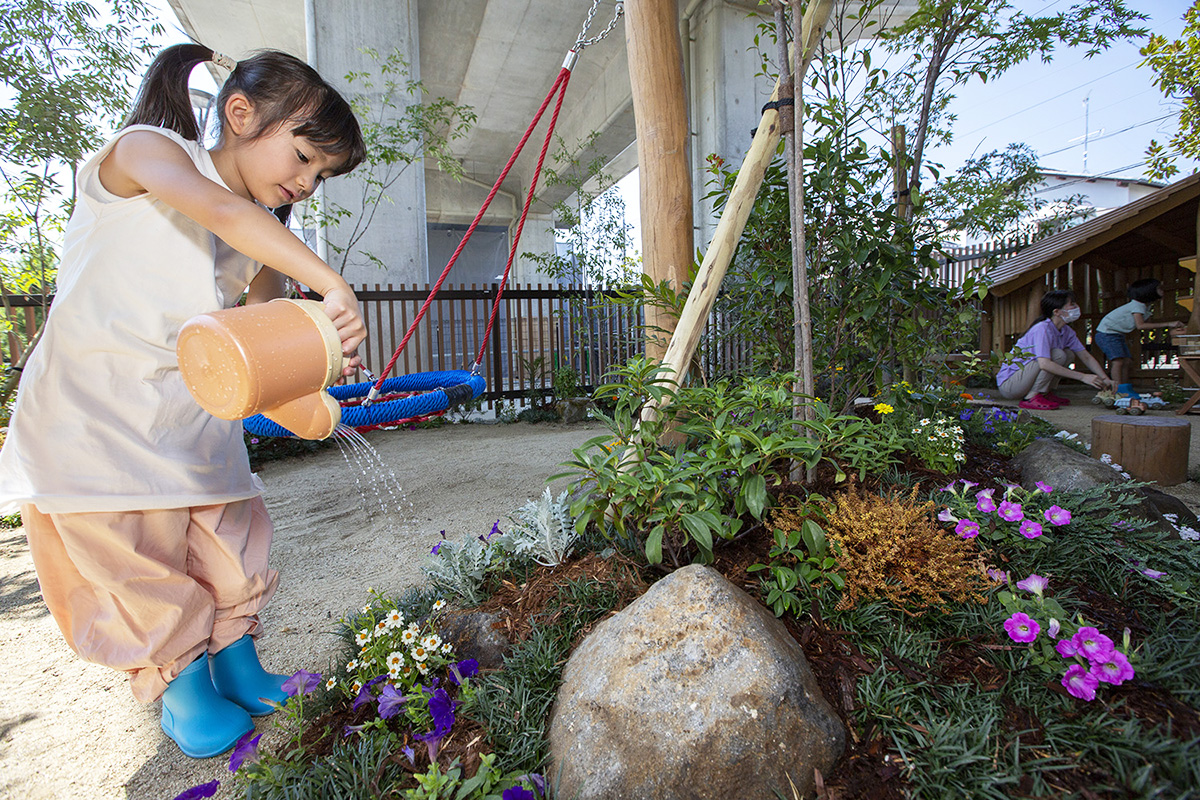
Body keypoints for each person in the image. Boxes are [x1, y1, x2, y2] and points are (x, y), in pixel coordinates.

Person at [0, 44, 367, 759]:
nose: (307, 184)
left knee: (225, 536)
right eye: (302, 157)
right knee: (134, 557)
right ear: (239, 113)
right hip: (96, 412)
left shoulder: (263, 235)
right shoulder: (147, 152)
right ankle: (183, 686)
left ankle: (236, 662)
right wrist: (334, 285)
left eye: (321, 176)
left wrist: (315, 372)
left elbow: (262, 338)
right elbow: (216, 210)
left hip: (191, 420)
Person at [996, 289, 1114, 410]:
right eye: (1072, 304)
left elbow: (1086, 356)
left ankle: (1045, 393)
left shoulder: (1066, 331)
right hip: (1011, 385)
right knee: (1058, 354)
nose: (1076, 307)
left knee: (1068, 354)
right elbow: (1044, 364)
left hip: (1026, 378)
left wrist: (1105, 379)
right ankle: (1031, 397)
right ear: (1057, 312)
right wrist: (1083, 377)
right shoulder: (1042, 329)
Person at [1094, 277, 1184, 400]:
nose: (1162, 291)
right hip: (1107, 334)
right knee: (1118, 361)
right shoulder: (1138, 305)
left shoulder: (1144, 306)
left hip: (1116, 334)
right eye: (1158, 289)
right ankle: (1118, 391)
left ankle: (1124, 388)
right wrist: (1169, 324)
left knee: (1126, 362)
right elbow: (1141, 325)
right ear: (1148, 291)